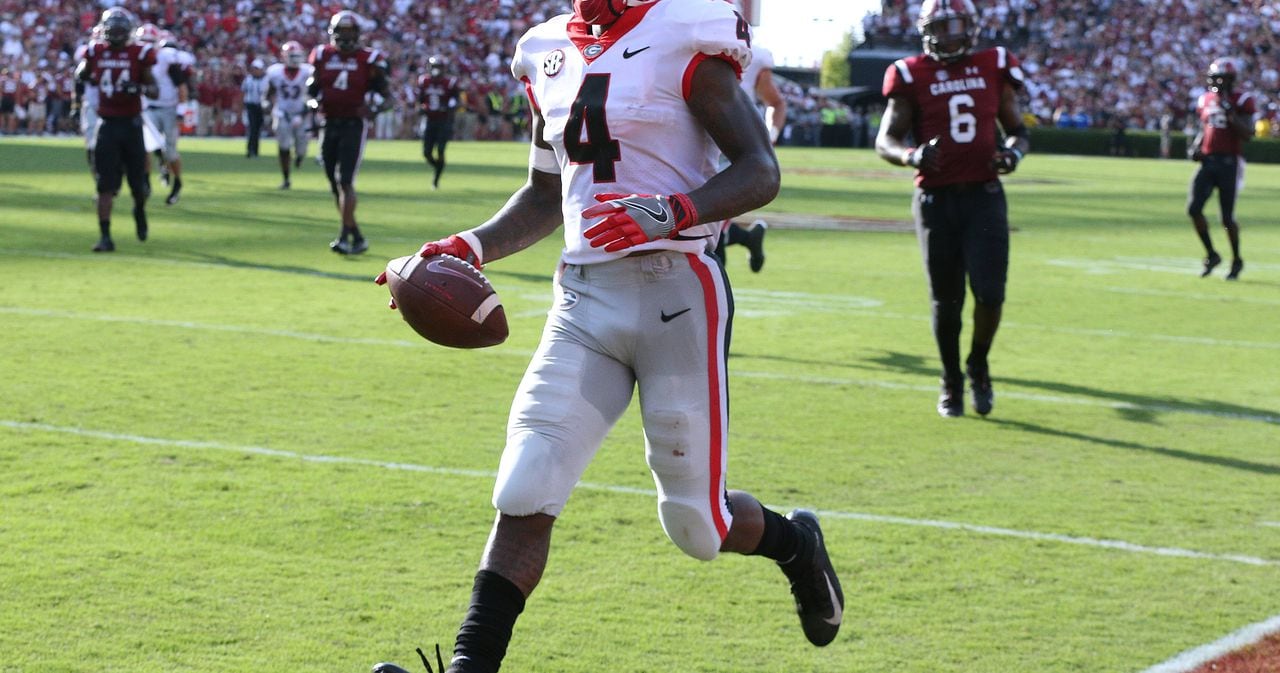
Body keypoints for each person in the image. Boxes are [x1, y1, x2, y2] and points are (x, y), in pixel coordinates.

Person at [372, 0, 844, 671]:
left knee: (696, 525)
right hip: (584, 297)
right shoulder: (544, 50)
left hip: (677, 293)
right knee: (526, 482)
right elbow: (542, 192)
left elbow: (759, 170)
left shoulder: (686, 32)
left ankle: (795, 542)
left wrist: (675, 209)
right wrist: (470, 245)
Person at [874, 0, 1029, 418]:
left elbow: (1017, 131)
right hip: (936, 201)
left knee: (991, 294)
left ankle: (977, 363)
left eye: (955, 25)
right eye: (940, 27)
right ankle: (950, 379)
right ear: (926, 31)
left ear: (971, 28)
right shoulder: (910, 72)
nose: (947, 35)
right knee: (946, 301)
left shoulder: (993, 63)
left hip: (984, 196)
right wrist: (911, 155)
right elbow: (885, 139)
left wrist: (1012, 156)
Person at [307, 10, 392, 255]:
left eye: (349, 32)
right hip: (329, 122)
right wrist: (312, 103)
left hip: (353, 124)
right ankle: (355, 234)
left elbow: (387, 97)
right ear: (333, 33)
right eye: (341, 32)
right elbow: (311, 89)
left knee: (345, 181)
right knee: (334, 183)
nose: (345, 37)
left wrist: (372, 110)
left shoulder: (370, 59)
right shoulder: (322, 55)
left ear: (357, 34)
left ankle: (345, 236)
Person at [75, 8, 158, 253]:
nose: (117, 35)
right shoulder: (94, 51)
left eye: (121, 31)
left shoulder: (140, 53)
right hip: (107, 124)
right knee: (104, 185)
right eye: (113, 30)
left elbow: (153, 88)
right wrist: (86, 75)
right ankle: (105, 237)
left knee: (137, 185)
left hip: (131, 124)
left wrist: (138, 88)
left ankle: (139, 210)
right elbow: (82, 74)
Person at [714, 37, 785, 273]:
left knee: (709, 228)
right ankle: (748, 238)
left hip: (727, 151)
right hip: (686, 144)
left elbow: (775, 102)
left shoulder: (751, 53)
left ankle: (715, 304)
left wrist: (769, 137)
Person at [1187, 57, 1255, 281]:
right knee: (1194, 209)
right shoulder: (1205, 99)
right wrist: (1197, 146)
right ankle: (1211, 254)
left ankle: (1236, 259)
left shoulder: (1241, 99)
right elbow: (1206, 128)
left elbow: (1248, 133)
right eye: (1214, 78)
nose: (1216, 82)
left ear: (1230, 80)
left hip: (1229, 162)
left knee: (1227, 218)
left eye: (1221, 78)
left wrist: (1231, 115)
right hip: (1208, 161)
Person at [136, 23, 193, 205]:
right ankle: (145, 182)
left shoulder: (166, 58)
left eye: (149, 41)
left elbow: (182, 86)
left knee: (170, 152)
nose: (145, 45)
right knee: (145, 148)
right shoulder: (135, 58)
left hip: (168, 108)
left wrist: (181, 111)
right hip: (148, 108)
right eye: (142, 41)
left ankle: (177, 182)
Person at [265, 41, 315, 190]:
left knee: (301, 149)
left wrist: (305, 112)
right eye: (292, 55)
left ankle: (299, 157)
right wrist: (266, 104)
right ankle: (286, 178)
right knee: (284, 147)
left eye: (297, 55)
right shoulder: (275, 72)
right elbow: (268, 93)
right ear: (284, 56)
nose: (295, 59)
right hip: (282, 113)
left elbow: (313, 95)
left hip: (302, 113)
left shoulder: (308, 71)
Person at [416, 54, 460, 190]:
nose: (436, 70)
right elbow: (420, 99)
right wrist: (422, 107)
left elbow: (456, 100)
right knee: (426, 153)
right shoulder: (424, 81)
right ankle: (438, 168)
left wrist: (449, 106)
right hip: (429, 120)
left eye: (438, 67)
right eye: (434, 67)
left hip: (443, 121)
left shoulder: (450, 83)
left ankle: (436, 179)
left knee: (440, 150)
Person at [241, 58, 267, 158]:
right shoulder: (248, 79)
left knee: (257, 129)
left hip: (260, 106)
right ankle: (250, 150)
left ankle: (255, 150)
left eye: (257, 69)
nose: (255, 71)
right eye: (254, 68)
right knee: (252, 128)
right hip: (250, 105)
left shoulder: (265, 79)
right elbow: (243, 92)